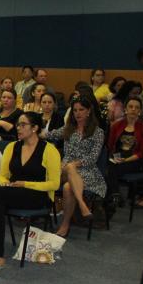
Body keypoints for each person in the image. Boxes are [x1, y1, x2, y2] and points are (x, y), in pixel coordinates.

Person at [0, 112, 61, 275]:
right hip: (12, 192)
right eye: (17, 125)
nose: (18, 128)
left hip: (39, 196)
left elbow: (55, 184)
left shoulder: (49, 150)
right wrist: (5, 183)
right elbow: (2, 175)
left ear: (35, 128)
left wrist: (24, 184)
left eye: (23, 125)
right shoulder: (12, 146)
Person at [47, 97, 106, 237]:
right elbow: (50, 134)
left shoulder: (98, 132)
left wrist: (74, 164)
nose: (77, 113)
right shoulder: (68, 128)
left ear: (89, 111)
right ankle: (82, 205)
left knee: (68, 187)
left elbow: (93, 158)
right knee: (69, 168)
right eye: (75, 110)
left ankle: (65, 225)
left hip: (87, 171)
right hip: (64, 169)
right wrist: (34, 132)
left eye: (81, 110)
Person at [107, 96, 143, 207]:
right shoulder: (116, 125)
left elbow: (142, 152)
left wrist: (125, 160)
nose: (133, 109)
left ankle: (114, 196)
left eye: (136, 107)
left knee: (111, 169)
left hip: (135, 159)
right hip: (118, 156)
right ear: (125, 109)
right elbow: (110, 145)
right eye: (130, 106)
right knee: (109, 165)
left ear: (140, 111)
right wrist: (116, 157)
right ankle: (116, 195)